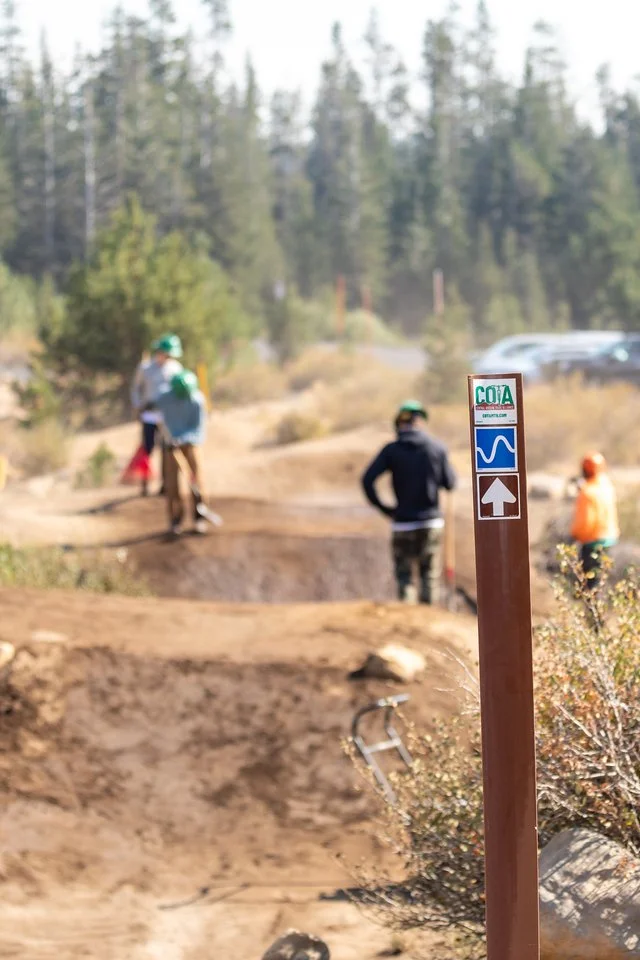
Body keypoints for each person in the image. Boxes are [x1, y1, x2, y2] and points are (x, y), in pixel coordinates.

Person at [361, 400, 457, 605]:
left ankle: (408, 616)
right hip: (431, 522)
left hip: (402, 522)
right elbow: (450, 483)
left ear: (399, 424)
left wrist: (385, 509)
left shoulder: (391, 450)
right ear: (421, 422)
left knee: (405, 578)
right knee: (429, 575)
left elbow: (367, 480)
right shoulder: (437, 448)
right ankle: (428, 617)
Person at [156, 370, 207, 537]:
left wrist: (183, 439)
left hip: (191, 443)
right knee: (172, 483)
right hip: (169, 444)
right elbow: (154, 414)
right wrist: (168, 438)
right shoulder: (164, 398)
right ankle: (175, 520)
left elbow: (197, 428)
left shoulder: (197, 400)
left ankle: (199, 516)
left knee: (196, 479)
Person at [130, 334, 184, 495]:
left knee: (167, 449)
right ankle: (145, 484)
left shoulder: (176, 368)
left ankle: (165, 484)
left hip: (167, 415)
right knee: (147, 449)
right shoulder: (145, 368)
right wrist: (138, 406)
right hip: (149, 413)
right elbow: (135, 388)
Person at [570, 451, 619, 586]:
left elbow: (585, 522)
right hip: (610, 540)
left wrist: (574, 535)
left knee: (590, 586)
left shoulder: (587, 492)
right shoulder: (607, 486)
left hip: (592, 543)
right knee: (602, 582)